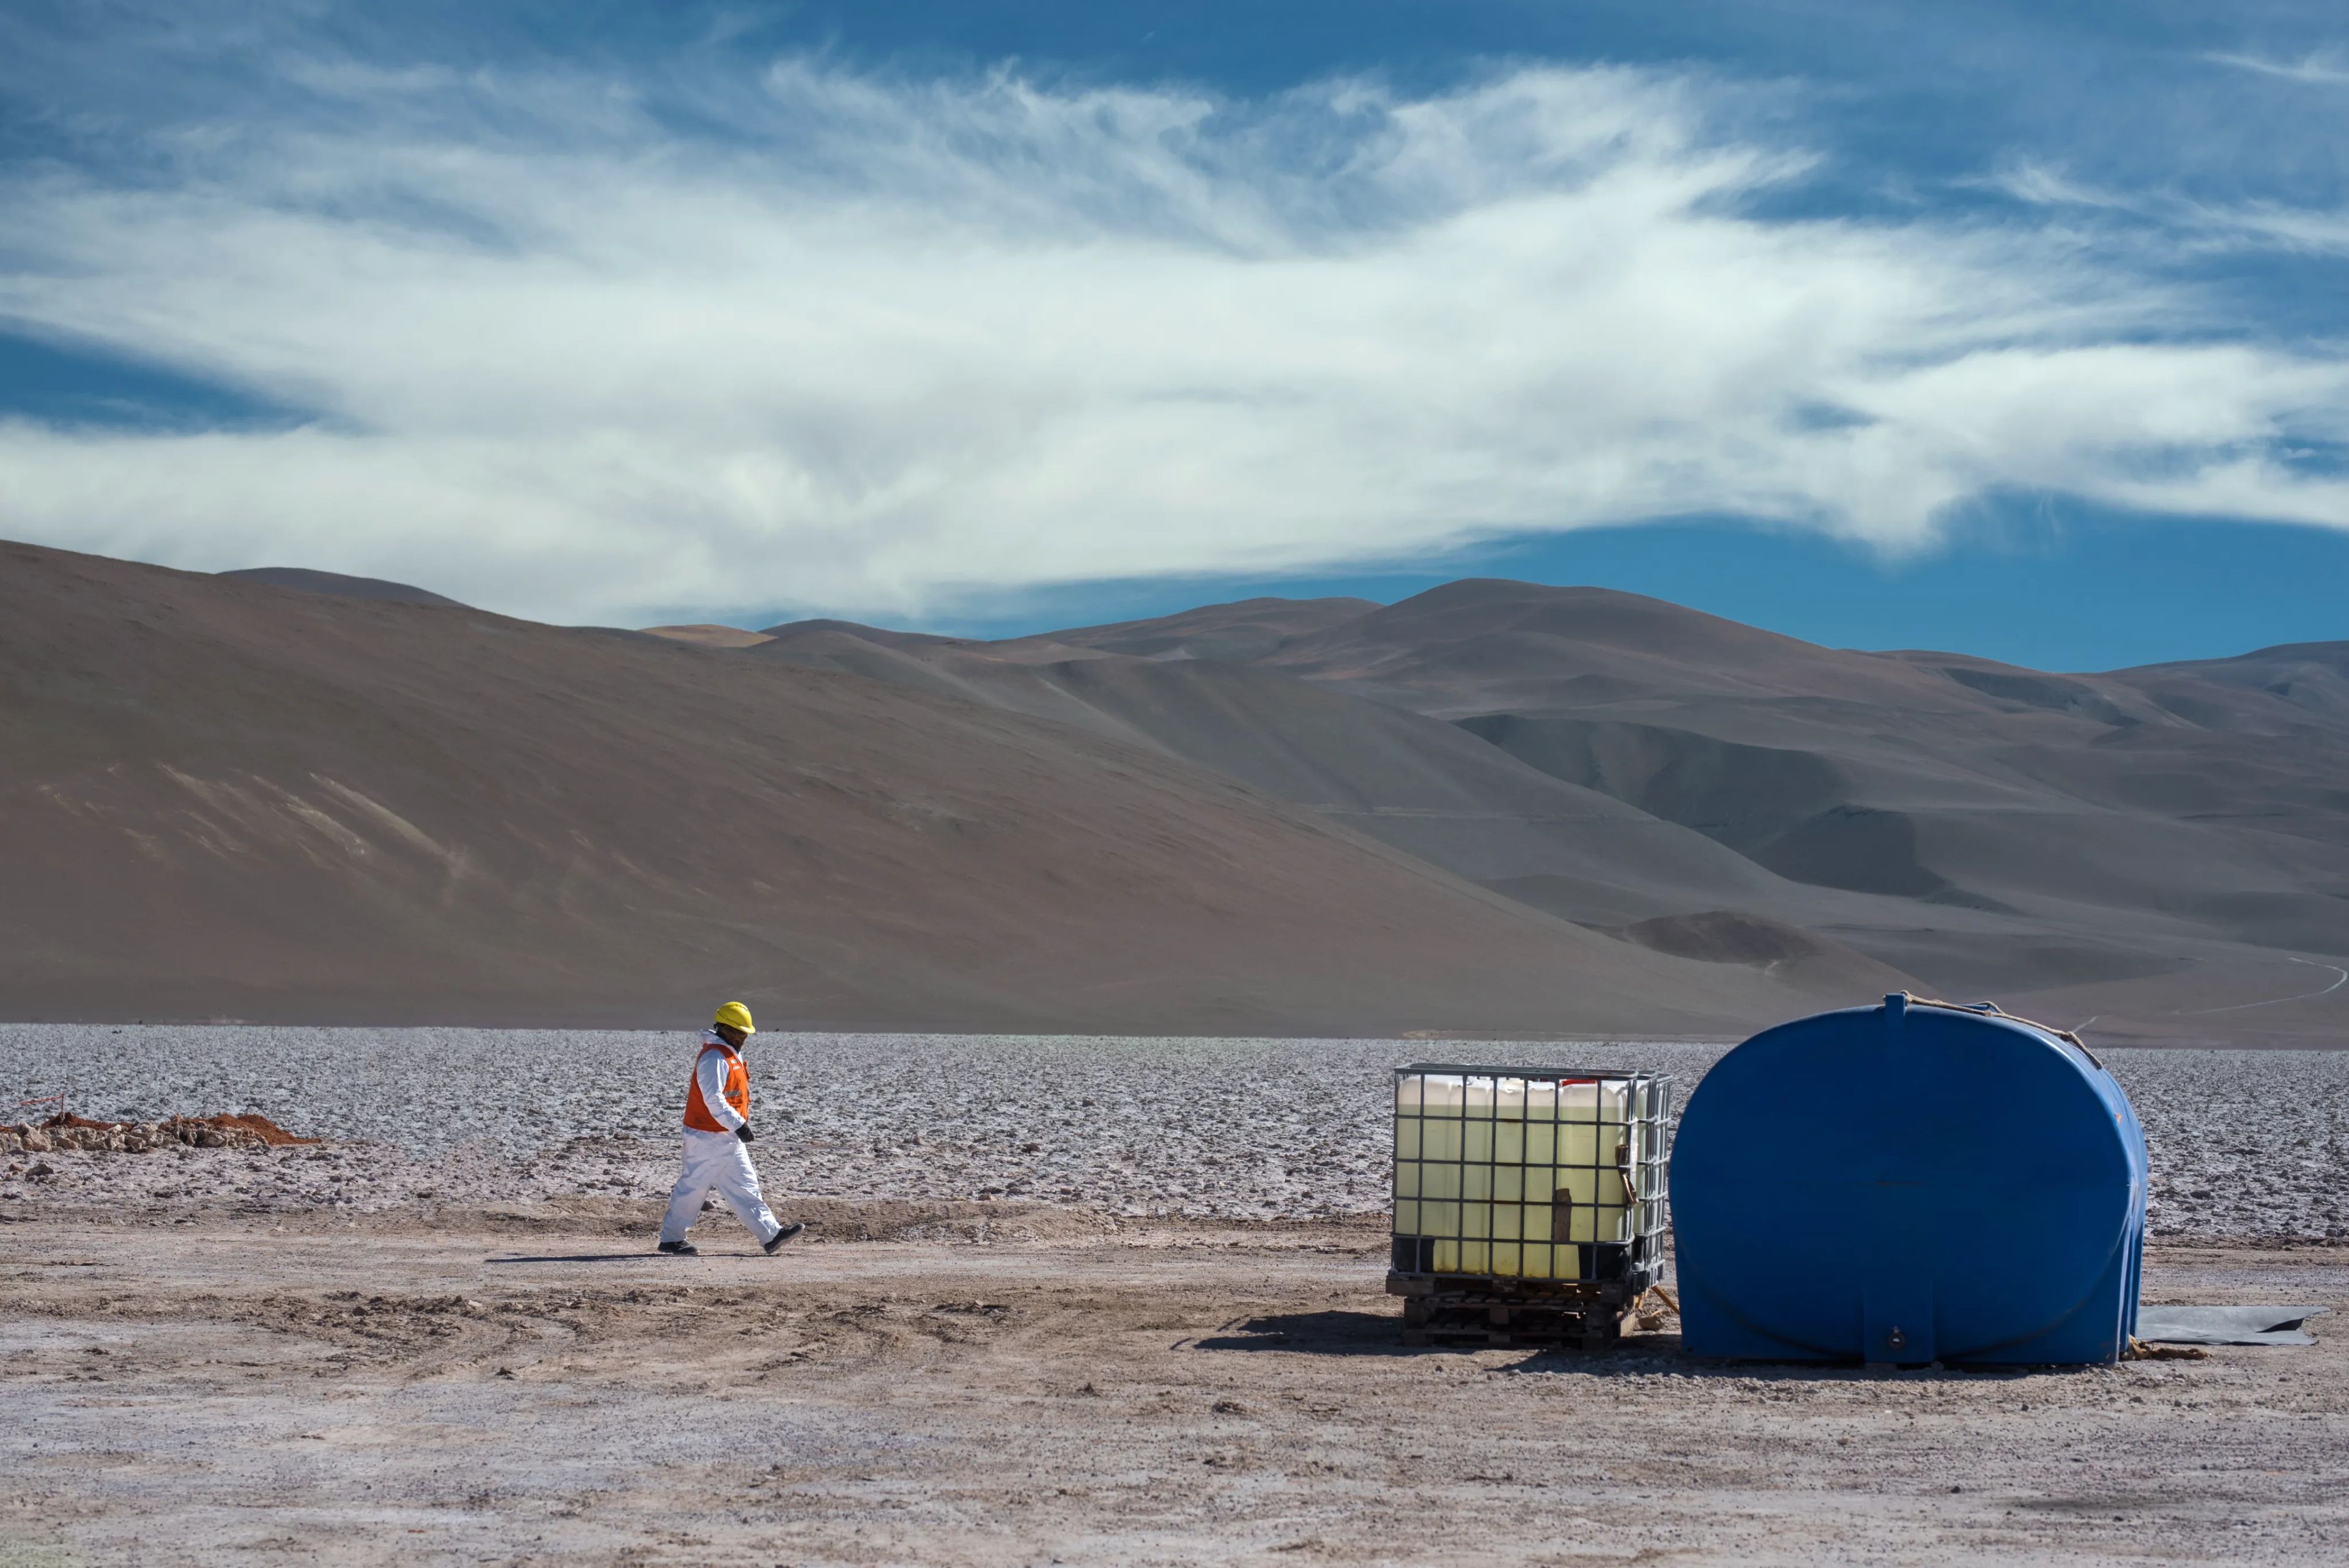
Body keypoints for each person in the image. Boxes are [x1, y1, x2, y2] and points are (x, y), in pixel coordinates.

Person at [656, 1001, 803, 1256]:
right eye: (738, 1032)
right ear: (723, 1028)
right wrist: (739, 1125)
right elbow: (713, 1098)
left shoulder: (730, 1054)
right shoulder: (714, 1057)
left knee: (745, 1185)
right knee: (693, 1187)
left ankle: (771, 1235)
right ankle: (671, 1238)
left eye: (745, 1033)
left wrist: (737, 1127)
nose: (743, 1037)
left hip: (726, 1136)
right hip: (707, 1136)